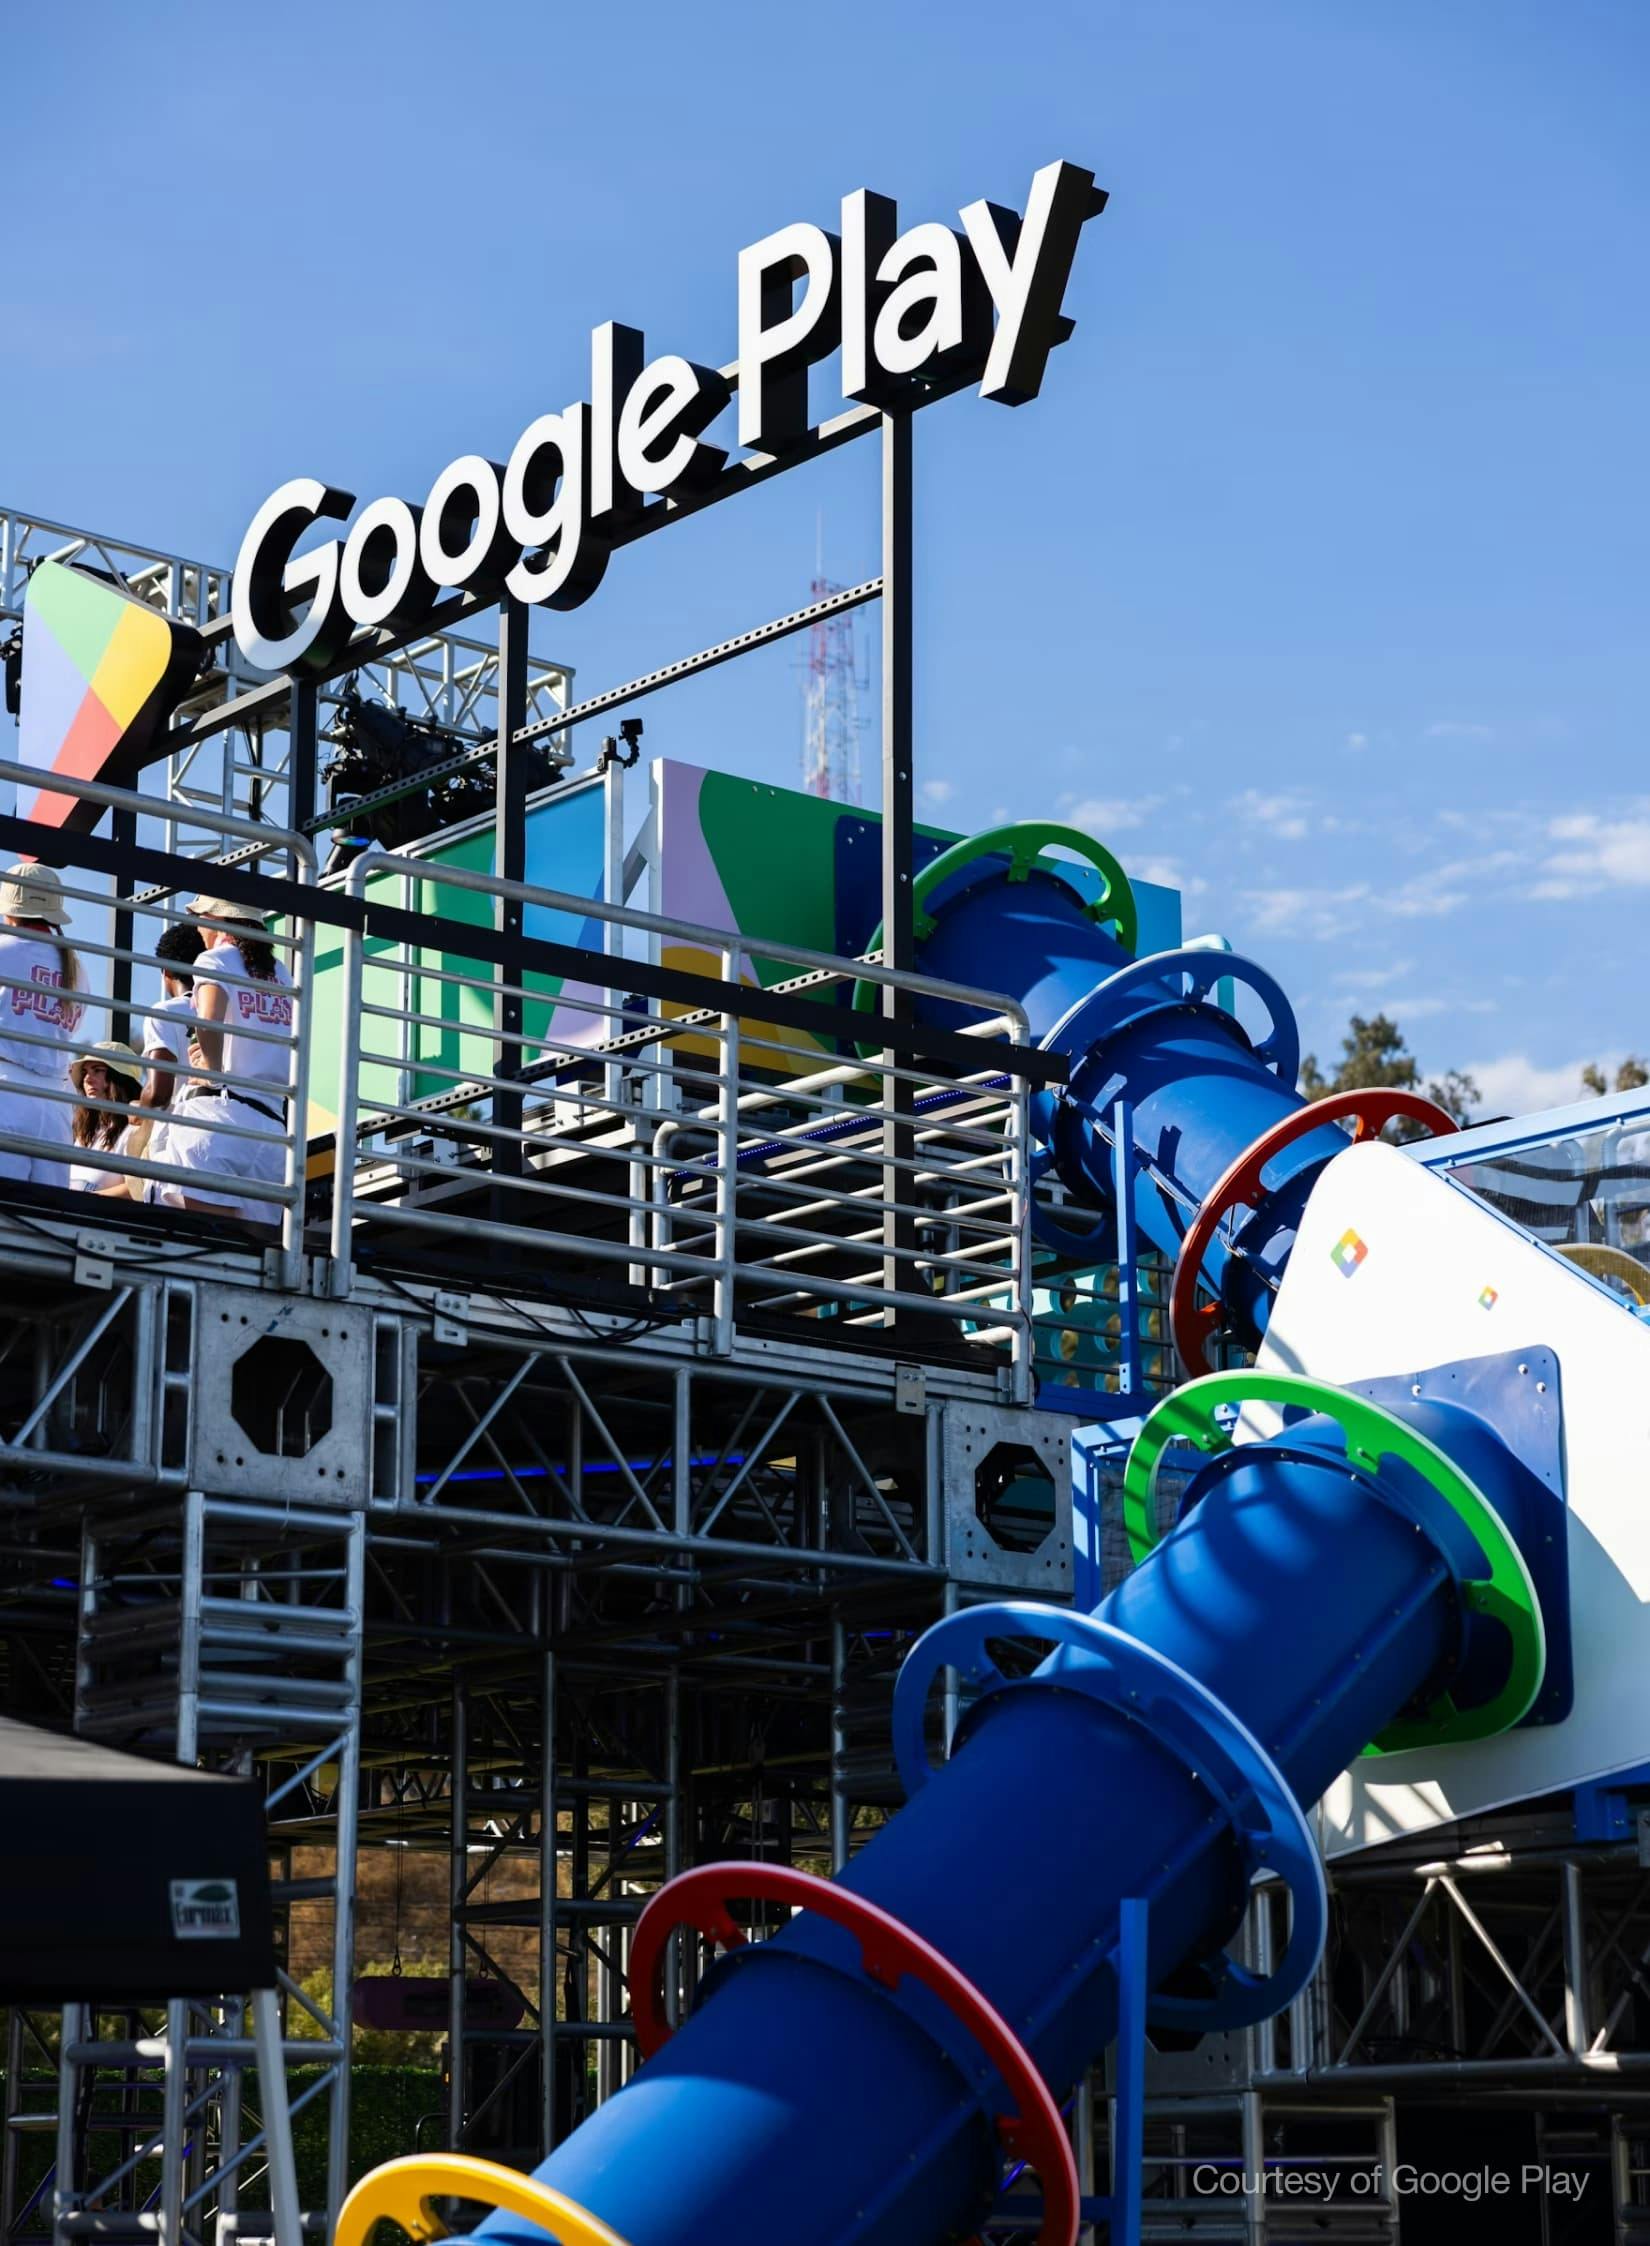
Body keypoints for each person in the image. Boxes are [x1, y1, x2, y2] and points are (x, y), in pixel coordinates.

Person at [150, 892, 295, 1225]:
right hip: (271, 1130)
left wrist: (211, 1068)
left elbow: (209, 1018)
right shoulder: (281, 973)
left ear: (214, 920)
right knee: (253, 1259)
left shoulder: (213, 960)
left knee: (205, 1246)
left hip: (217, 1115)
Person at [0, 863, 85, 1186]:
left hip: (7, 1091)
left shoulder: (4, 950)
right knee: (47, 1222)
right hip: (55, 1105)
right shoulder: (77, 966)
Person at [68, 1042, 144, 1191]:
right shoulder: (85, 1132)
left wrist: (86, 1199)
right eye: (85, 1072)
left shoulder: (136, 1130)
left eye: (97, 1070)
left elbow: (139, 1189)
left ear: (119, 1078)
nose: (87, 1079)